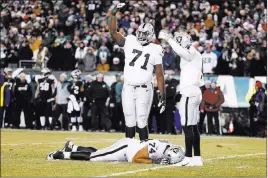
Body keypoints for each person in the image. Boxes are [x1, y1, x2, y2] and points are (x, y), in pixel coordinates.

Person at [109, 3, 166, 141]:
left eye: (144, 34)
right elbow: (113, 33)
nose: (141, 35)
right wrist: (112, 15)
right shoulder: (130, 40)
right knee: (129, 120)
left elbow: (159, 74)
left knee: (141, 120)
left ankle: (143, 149)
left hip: (144, 89)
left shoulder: (155, 48)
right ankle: (129, 149)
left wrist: (162, 93)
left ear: (151, 35)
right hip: (128, 87)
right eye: (140, 33)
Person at [159, 31, 203, 166]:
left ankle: (188, 158)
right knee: (193, 126)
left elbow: (183, 53)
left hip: (190, 92)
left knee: (187, 126)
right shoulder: (194, 51)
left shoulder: (190, 51)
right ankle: (196, 158)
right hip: (194, 91)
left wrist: (170, 40)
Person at [47, 138, 185, 165]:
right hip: (127, 150)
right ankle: (60, 154)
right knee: (94, 157)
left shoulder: (166, 145)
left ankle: (73, 147)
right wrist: (154, 162)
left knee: (101, 152)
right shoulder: (159, 151)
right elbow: (136, 158)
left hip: (129, 145)